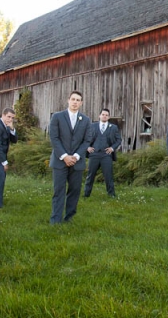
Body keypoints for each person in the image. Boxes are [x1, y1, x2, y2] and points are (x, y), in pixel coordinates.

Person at [49, 91, 93, 224]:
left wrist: (76, 156)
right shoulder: (57, 117)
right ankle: (56, 220)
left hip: (77, 161)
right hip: (59, 160)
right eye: (73, 99)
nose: (75, 102)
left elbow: (87, 140)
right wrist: (64, 156)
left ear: (81, 103)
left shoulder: (85, 120)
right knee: (59, 190)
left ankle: (69, 218)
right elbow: (54, 138)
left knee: (74, 190)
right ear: (68, 100)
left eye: (78, 100)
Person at [83, 108, 122, 198]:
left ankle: (111, 195)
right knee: (90, 175)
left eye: (106, 115)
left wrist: (112, 148)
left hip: (106, 155)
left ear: (109, 117)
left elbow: (118, 140)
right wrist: (87, 147)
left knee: (108, 176)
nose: (104, 116)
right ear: (99, 116)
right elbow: (85, 138)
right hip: (94, 154)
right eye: (103, 114)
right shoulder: (92, 126)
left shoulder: (113, 127)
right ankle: (86, 195)